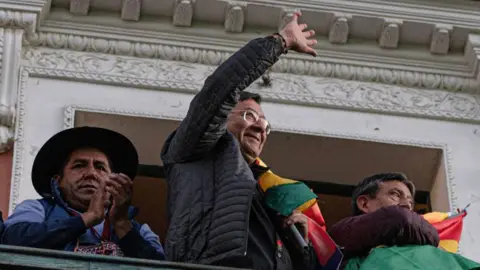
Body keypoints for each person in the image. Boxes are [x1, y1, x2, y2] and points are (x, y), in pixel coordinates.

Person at [161, 11, 318, 269]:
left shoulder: (266, 190)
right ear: (223, 117)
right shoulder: (195, 150)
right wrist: (280, 42)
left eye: (265, 123)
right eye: (249, 115)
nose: (260, 127)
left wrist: (299, 244)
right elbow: (218, 91)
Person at [2, 127, 165, 260]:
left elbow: (159, 266)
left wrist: (122, 224)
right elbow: (11, 241)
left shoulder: (140, 229)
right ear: (58, 180)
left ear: (113, 181)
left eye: (100, 167)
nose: (91, 173)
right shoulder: (36, 209)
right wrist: (88, 218)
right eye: (79, 165)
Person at [328, 173, 439, 268]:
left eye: (411, 202)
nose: (407, 205)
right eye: (395, 194)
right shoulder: (343, 231)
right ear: (364, 203)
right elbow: (398, 217)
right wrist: (434, 235)